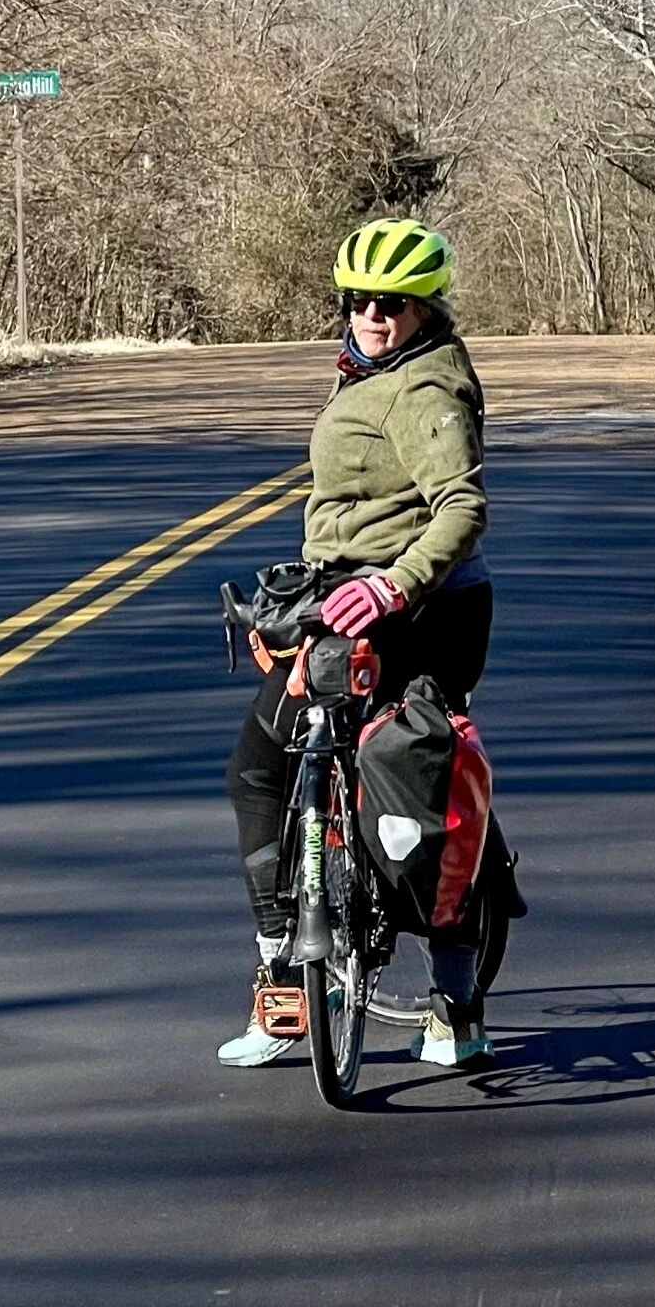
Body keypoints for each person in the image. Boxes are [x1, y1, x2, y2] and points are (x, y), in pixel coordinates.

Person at [217, 218, 500, 1071]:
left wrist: (392, 583)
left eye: (394, 303)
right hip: (345, 602)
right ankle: (284, 974)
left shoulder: (424, 392)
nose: (373, 314)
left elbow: (462, 506)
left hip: (424, 606)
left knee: (412, 783)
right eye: (359, 300)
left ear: (424, 308)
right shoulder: (369, 366)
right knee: (268, 766)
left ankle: (456, 1004)